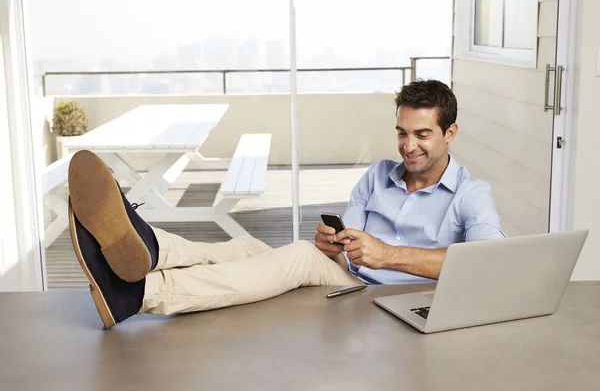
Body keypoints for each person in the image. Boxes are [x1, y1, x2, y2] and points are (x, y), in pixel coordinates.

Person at [67, 79, 505, 329]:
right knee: (248, 249)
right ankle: (155, 249)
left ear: (450, 134)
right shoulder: (378, 175)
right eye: (402, 133)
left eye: (422, 135)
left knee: (293, 256)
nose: (408, 146)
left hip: (383, 296)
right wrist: (336, 242)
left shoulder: (471, 194)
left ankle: (143, 292)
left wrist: (389, 254)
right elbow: (347, 242)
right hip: (344, 272)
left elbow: (489, 261)